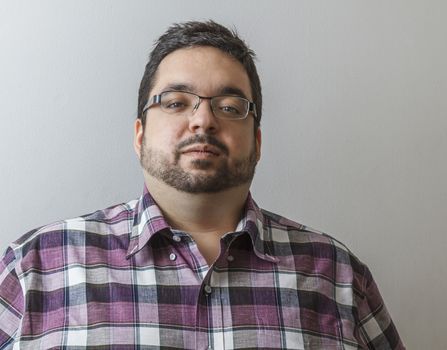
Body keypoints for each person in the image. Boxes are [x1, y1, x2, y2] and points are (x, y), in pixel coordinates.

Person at [0, 21, 404, 349]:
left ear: (257, 142)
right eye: (176, 102)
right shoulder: (37, 266)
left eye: (229, 108)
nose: (203, 121)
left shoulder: (337, 275)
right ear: (139, 135)